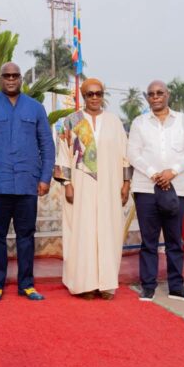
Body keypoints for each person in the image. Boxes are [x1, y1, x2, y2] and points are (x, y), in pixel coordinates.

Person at [0, 62, 55, 302]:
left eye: (15, 76)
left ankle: (26, 284)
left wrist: (45, 177)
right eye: (6, 76)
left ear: (20, 79)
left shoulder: (36, 109)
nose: (10, 79)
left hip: (28, 183)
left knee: (26, 235)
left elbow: (47, 145)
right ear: (0, 79)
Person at [54, 78, 130, 299]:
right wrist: (67, 184)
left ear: (103, 95)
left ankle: (106, 284)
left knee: (109, 231)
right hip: (81, 186)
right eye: (90, 94)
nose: (95, 98)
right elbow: (62, 155)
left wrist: (126, 183)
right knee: (82, 232)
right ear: (83, 96)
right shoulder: (72, 121)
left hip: (110, 186)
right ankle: (84, 284)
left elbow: (126, 154)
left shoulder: (114, 122)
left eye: (98, 94)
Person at [128, 80, 184, 302]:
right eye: (151, 94)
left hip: (175, 188)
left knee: (174, 241)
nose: (156, 96)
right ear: (147, 97)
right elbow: (133, 153)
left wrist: (172, 172)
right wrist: (154, 174)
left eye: (160, 92)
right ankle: (148, 287)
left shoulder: (183, 121)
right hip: (146, 189)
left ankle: (176, 287)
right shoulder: (139, 123)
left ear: (167, 94)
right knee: (148, 241)